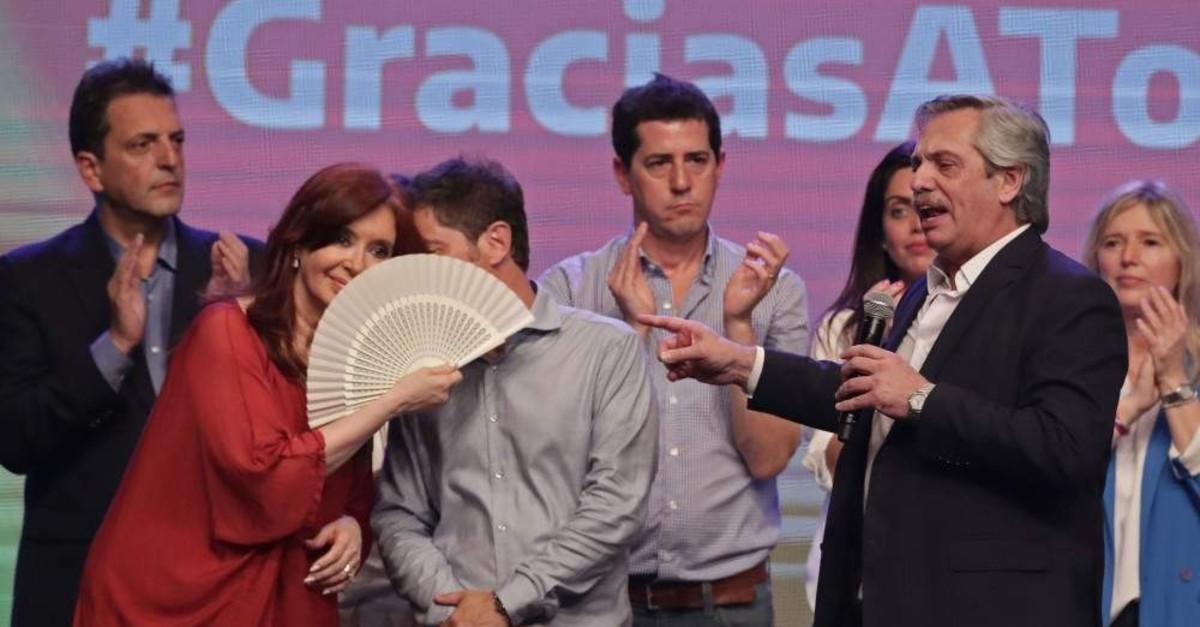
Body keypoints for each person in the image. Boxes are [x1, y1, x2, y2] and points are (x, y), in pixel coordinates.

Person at [639, 94, 1128, 627]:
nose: (919, 181)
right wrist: (739, 363)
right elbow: (866, 391)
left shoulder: (1068, 297)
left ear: (1009, 182)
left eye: (944, 164)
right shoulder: (926, 290)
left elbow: (1067, 452)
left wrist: (920, 399)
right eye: (919, 163)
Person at [72, 163, 462, 626]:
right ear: (299, 243)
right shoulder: (226, 333)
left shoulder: (355, 362)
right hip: (172, 597)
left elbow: (349, 489)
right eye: (342, 239)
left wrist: (354, 525)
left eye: (379, 250)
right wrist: (393, 401)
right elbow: (263, 477)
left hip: (289, 591)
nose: (357, 263)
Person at [0, 57, 262, 627]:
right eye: (143, 145)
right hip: (77, 582)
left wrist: (234, 321)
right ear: (91, 169)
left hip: (214, 584)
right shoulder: (28, 279)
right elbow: (16, 440)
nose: (169, 160)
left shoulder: (244, 267)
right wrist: (116, 344)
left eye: (176, 140)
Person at [538, 73, 808, 627]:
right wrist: (630, 334)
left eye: (698, 160)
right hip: (603, 602)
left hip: (731, 603)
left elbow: (768, 458)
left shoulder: (775, 288)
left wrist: (738, 325)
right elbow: (557, 459)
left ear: (721, 166)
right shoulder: (569, 288)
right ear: (622, 173)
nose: (682, 182)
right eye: (660, 164)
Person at [373, 157, 658, 626]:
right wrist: (454, 606)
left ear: (496, 242)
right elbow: (399, 514)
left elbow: (615, 506)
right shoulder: (423, 369)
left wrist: (506, 603)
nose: (416, 275)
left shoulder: (605, 349)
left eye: (432, 253)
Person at [800, 140, 932, 610]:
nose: (917, 223)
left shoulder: (985, 321)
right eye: (899, 210)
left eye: (924, 207)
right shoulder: (845, 328)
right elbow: (832, 461)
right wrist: (874, 350)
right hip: (853, 572)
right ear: (879, 231)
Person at [1082, 180, 1200, 627]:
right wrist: (1127, 410)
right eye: (1113, 242)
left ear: (1181, 262)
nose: (1128, 257)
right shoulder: (1070, 366)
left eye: (1150, 242)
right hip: (1085, 600)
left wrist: (1172, 378)